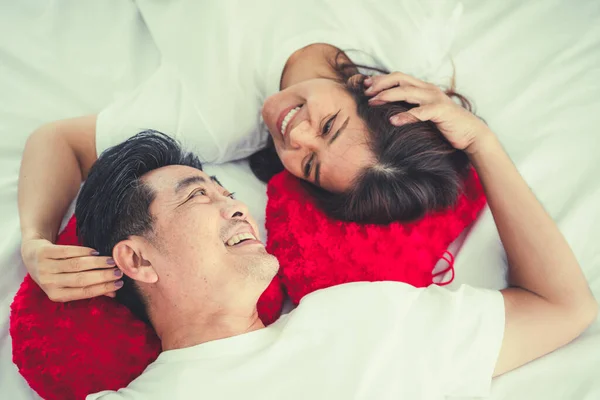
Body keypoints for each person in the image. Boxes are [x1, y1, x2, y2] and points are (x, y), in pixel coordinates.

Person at [74, 89, 596, 399]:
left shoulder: (363, 317)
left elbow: (562, 307)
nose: (235, 206)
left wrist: (483, 143)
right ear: (138, 258)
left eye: (228, 191)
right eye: (197, 198)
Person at [19, 1, 477, 300]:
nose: (297, 138)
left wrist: (35, 242)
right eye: (330, 125)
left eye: (311, 165)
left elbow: (60, 141)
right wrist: (471, 135)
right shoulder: (407, 31)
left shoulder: (213, 120)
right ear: (366, 88)